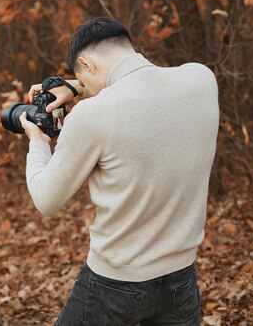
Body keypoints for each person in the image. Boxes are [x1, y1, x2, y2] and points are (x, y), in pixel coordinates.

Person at [18, 17, 218, 325]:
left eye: (82, 74)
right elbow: (142, 85)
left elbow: (47, 200)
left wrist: (38, 142)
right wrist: (76, 85)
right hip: (181, 279)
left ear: (85, 62)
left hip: (114, 283)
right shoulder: (201, 80)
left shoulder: (92, 114)